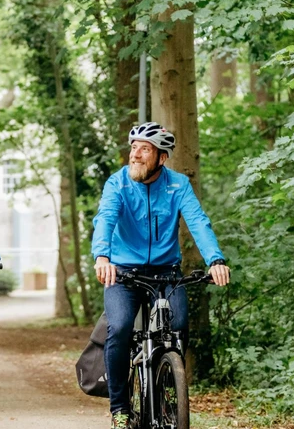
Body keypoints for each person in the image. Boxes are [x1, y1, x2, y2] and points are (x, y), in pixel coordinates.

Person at [92, 122, 231, 429]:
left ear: (162, 158)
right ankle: (120, 409)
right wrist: (102, 256)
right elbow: (105, 219)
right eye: (133, 148)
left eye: (145, 149)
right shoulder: (118, 184)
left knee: (178, 326)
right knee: (120, 327)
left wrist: (216, 259)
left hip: (166, 273)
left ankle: (167, 385)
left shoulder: (177, 185)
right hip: (123, 272)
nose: (135, 155)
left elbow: (198, 222)